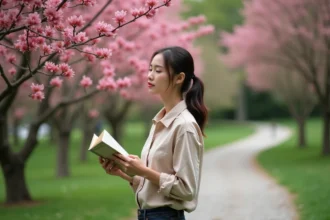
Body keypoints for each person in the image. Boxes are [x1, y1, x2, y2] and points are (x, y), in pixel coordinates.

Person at [99, 46, 208, 220]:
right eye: (150, 69)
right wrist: (123, 173)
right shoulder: (159, 121)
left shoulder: (184, 126)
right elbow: (156, 189)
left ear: (179, 78)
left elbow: (187, 190)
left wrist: (143, 171)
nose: (149, 75)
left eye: (158, 70)